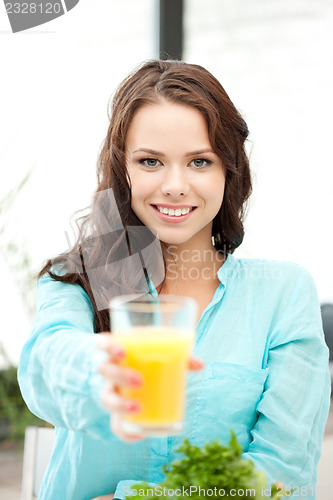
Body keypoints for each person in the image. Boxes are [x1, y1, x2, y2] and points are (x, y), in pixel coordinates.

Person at [18, 60, 330, 500]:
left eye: (200, 161)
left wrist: (135, 499)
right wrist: (99, 365)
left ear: (229, 169)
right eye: (150, 161)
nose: (175, 185)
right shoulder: (77, 282)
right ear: (124, 170)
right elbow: (45, 369)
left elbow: (283, 475)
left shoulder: (283, 294)